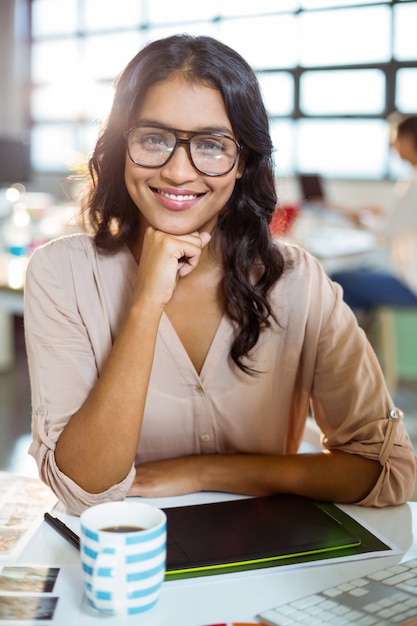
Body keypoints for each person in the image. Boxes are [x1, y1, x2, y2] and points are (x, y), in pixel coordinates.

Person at [24, 34, 416, 516]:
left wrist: (205, 471)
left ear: (243, 161)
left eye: (210, 145)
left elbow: (388, 471)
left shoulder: (297, 281)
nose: (178, 172)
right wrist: (147, 303)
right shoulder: (62, 273)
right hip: (123, 567)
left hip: (263, 565)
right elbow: (85, 488)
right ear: (121, 145)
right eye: (154, 139)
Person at [332, 115, 417, 309]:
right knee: (355, 280)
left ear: (410, 139)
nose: (394, 147)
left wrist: (358, 217)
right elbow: (401, 222)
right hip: (405, 276)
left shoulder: (414, 181)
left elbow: (386, 231)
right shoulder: (411, 179)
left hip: (410, 285)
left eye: (397, 140)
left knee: (337, 280)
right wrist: (379, 216)